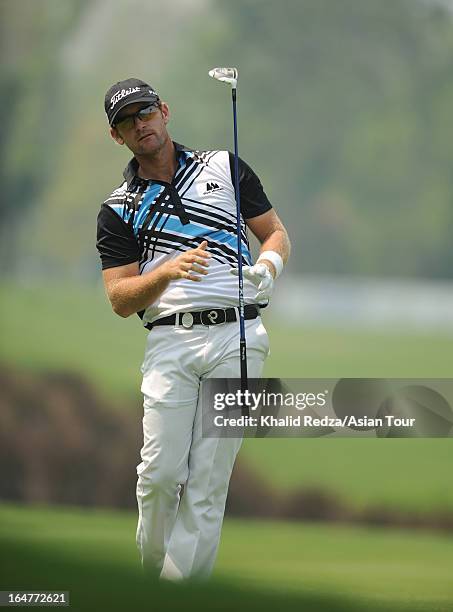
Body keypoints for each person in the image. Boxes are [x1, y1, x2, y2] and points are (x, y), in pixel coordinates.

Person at [96, 78, 290, 580]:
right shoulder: (117, 208)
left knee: (208, 482)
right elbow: (119, 299)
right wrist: (165, 272)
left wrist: (269, 268)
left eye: (145, 113)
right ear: (117, 137)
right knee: (160, 477)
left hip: (239, 338)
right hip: (170, 341)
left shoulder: (224, 167)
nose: (140, 125)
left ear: (164, 111)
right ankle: (149, 575)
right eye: (126, 122)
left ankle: (178, 594)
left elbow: (274, 233)